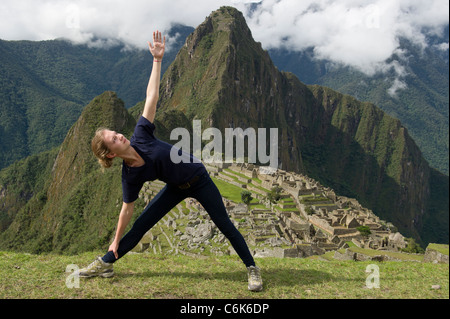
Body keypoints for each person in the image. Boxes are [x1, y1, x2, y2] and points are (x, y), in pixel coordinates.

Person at [78, 31, 263, 292]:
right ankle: (106, 262)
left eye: (116, 133)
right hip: (176, 188)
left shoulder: (140, 134)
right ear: (111, 154)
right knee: (142, 223)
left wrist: (157, 61)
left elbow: (151, 97)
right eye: (114, 139)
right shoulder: (130, 174)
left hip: (198, 179)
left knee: (224, 224)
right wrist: (115, 240)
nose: (120, 135)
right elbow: (127, 209)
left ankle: (252, 269)